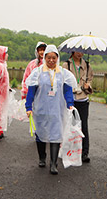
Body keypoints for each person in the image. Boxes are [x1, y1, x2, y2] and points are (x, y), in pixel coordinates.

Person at [25, 45, 76, 175]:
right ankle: (42, 158)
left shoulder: (63, 74)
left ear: (57, 58)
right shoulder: (37, 72)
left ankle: (53, 163)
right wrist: (28, 106)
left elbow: (67, 90)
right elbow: (31, 91)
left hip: (57, 109)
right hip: (41, 109)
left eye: (54, 58)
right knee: (40, 133)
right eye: (49, 58)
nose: (51, 60)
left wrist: (70, 104)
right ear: (44, 58)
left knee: (56, 134)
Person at [62, 51, 93, 163]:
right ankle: (69, 150)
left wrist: (87, 86)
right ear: (73, 51)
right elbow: (63, 80)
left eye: (82, 51)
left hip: (83, 99)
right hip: (70, 99)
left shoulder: (87, 65)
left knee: (83, 125)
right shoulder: (67, 65)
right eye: (77, 51)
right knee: (69, 125)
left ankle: (84, 152)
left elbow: (90, 79)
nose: (80, 54)